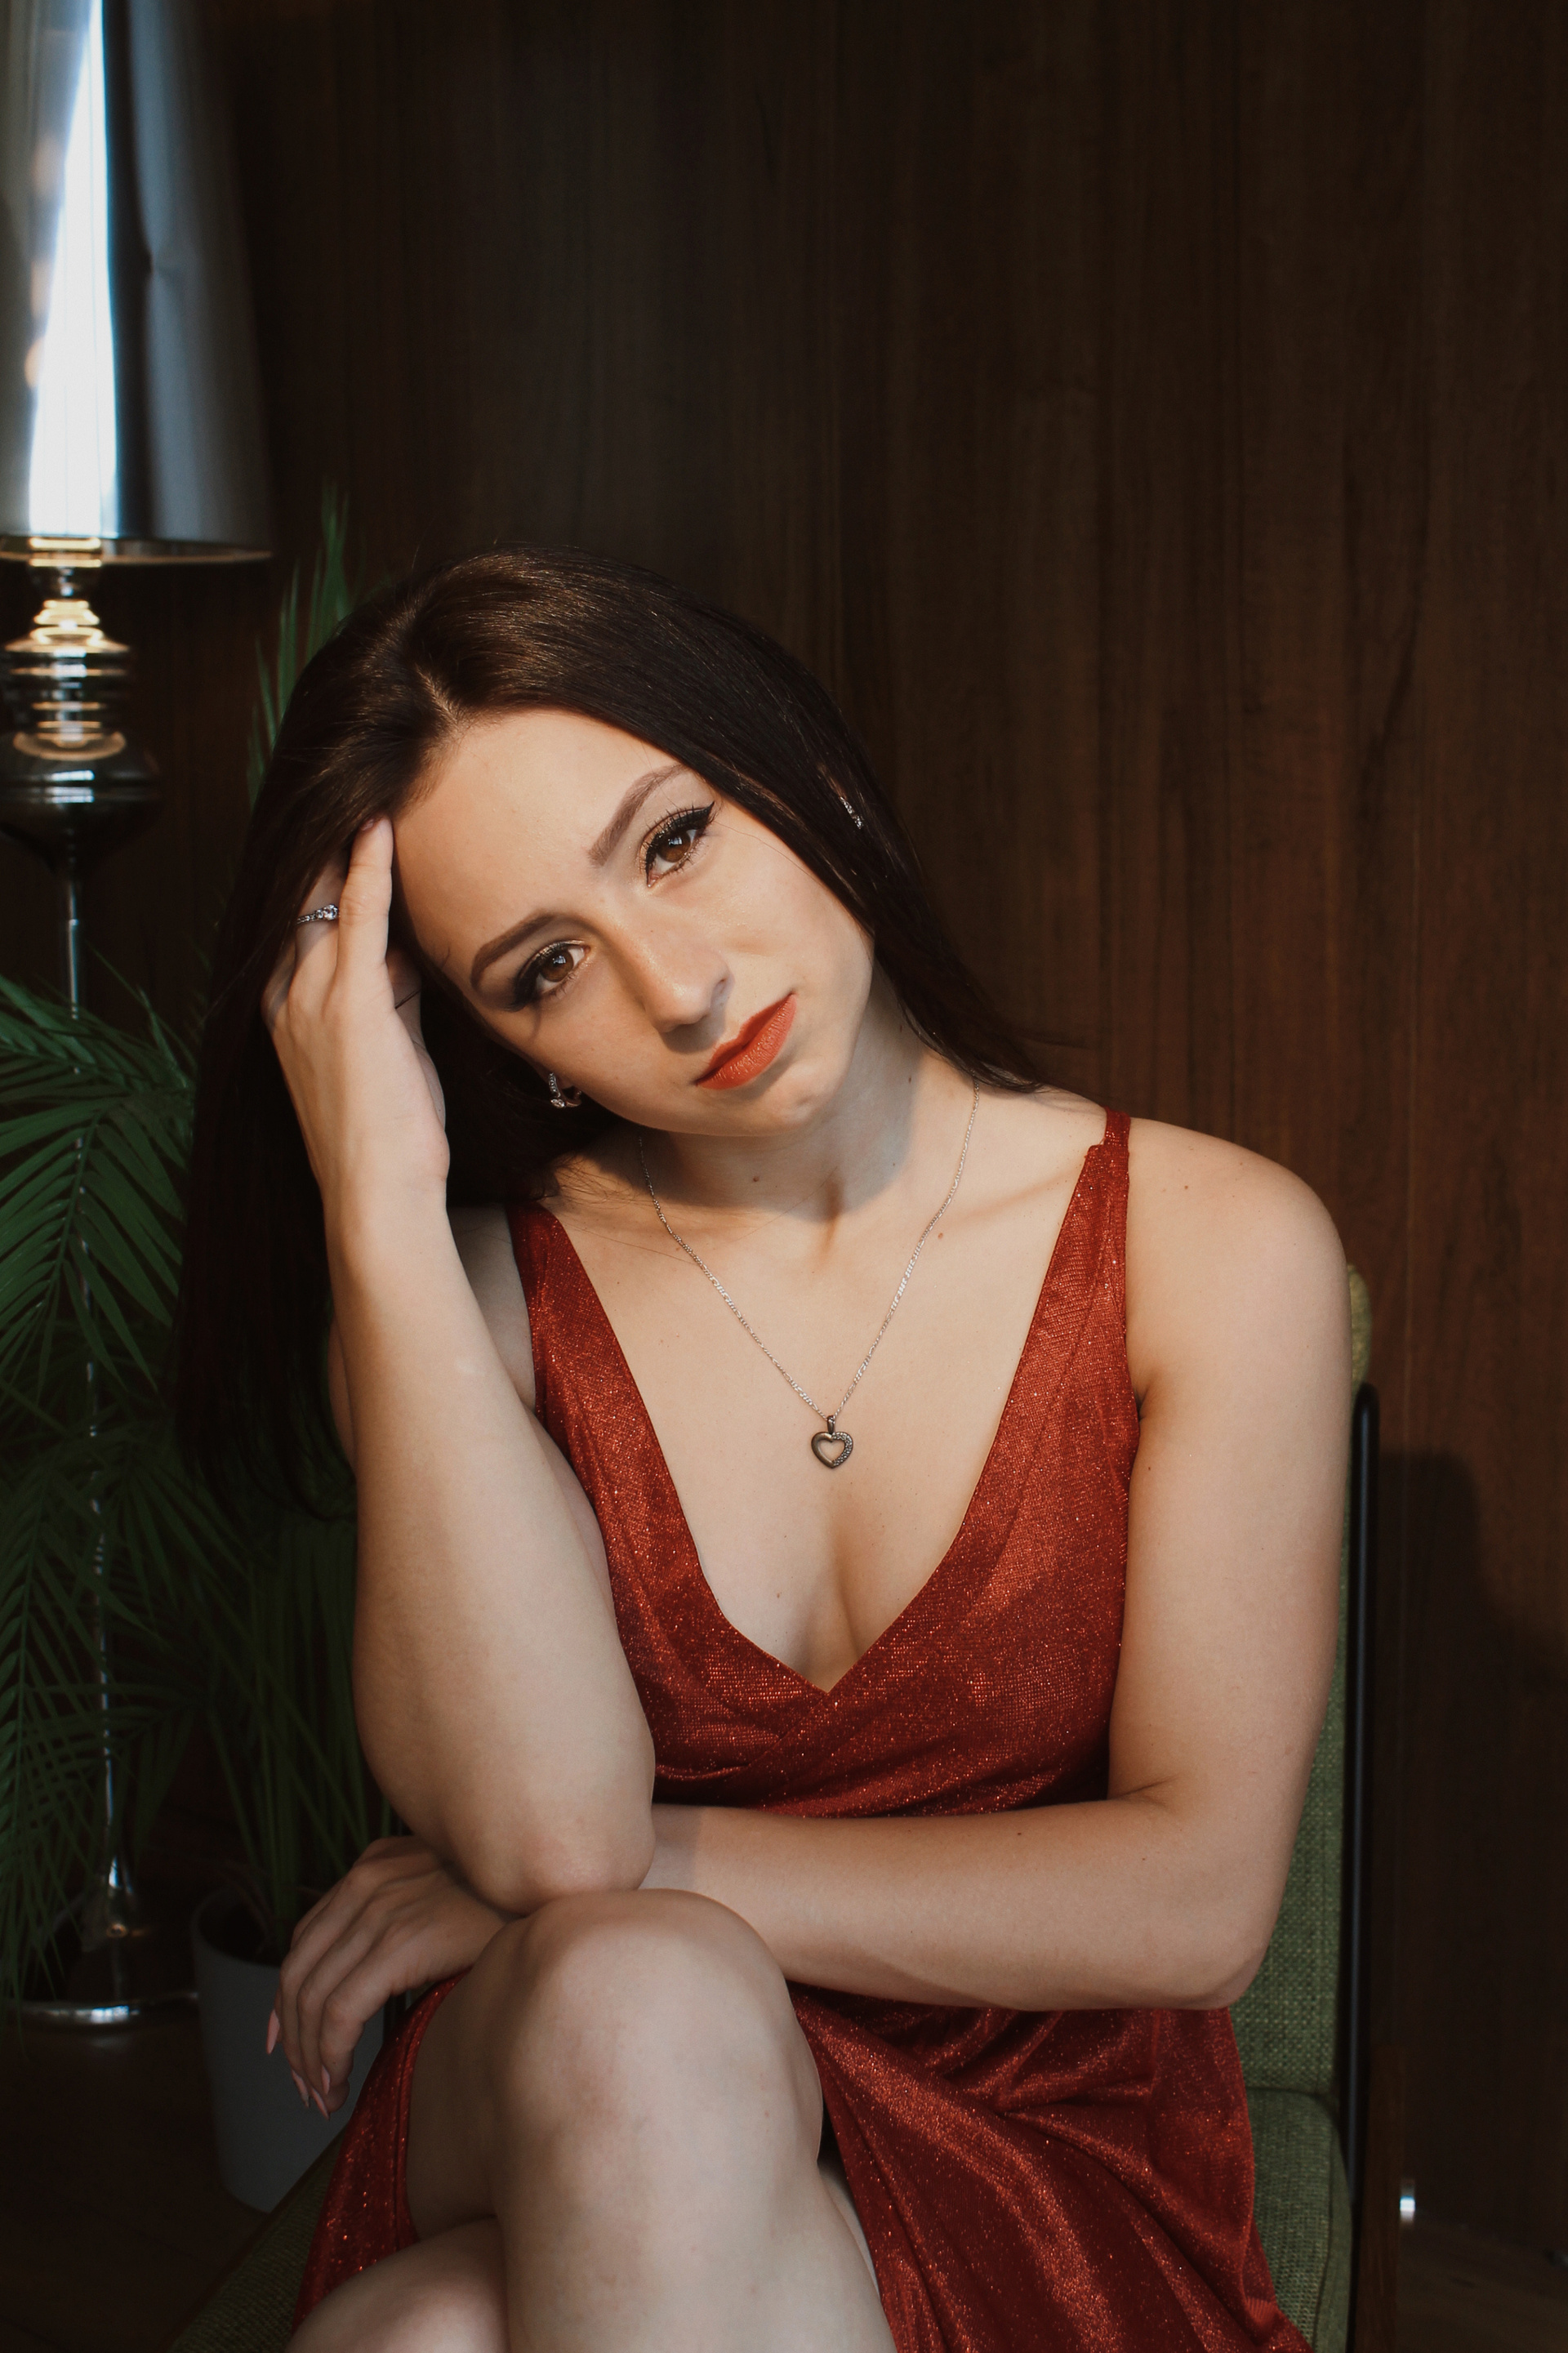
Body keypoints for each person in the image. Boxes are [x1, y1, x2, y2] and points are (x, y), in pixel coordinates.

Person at [177, 547, 1349, 2353]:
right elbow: (551, 1827)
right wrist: (383, 1212)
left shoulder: (1213, 1249)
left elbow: (1195, 1908)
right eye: (545, 966)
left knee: (425, 2337)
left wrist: (637, 1872)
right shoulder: (466, 1305)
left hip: (1050, 2144)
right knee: (635, 2009)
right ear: (490, 1041)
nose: (678, 985)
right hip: (581, 2084)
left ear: (805, 770)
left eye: (675, 839)